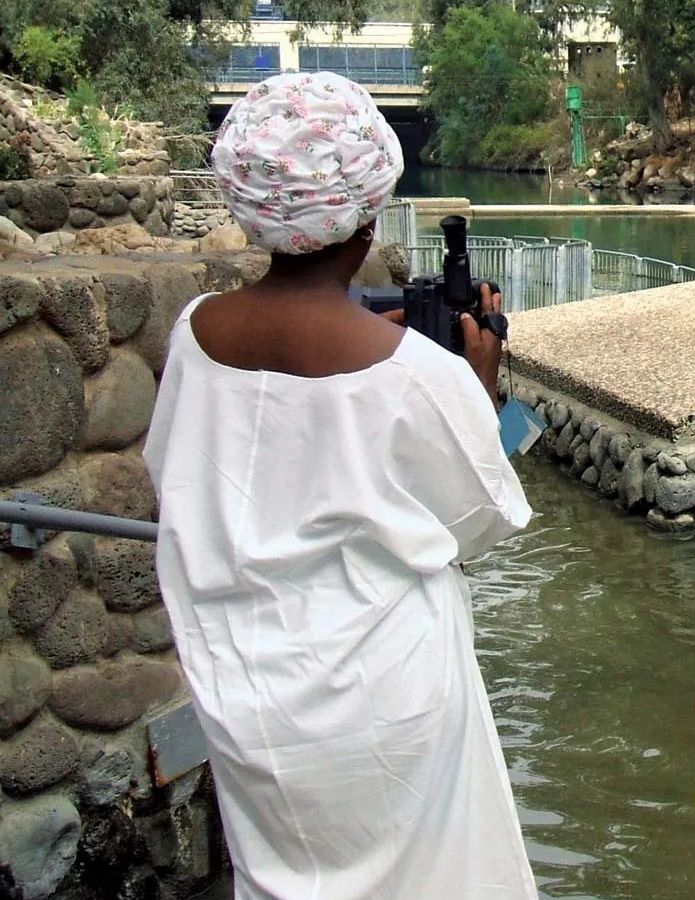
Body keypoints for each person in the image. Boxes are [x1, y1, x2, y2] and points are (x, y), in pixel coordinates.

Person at [141, 73, 539, 899]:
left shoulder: (195, 333)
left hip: (246, 692)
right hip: (388, 696)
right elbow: (479, 521)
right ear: (368, 212)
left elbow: (189, 468)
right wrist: (479, 386)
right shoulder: (421, 374)